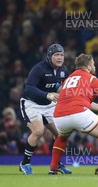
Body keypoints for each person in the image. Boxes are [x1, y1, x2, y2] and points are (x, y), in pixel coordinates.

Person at [19, 44, 71, 175]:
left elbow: (61, 87)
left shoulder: (63, 70)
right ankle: (24, 163)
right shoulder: (39, 68)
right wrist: (47, 95)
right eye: (56, 55)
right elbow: (28, 89)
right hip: (32, 104)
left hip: (49, 105)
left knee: (61, 134)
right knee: (38, 131)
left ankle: (56, 164)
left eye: (61, 55)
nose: (59, 57)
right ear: (49, 56)